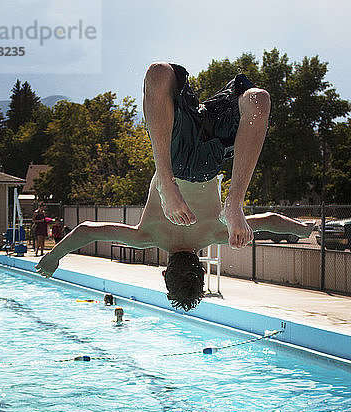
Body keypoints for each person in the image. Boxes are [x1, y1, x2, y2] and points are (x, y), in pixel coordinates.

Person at [36, 62, 314, 311]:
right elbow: (86, 231)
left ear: (202, 271)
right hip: (178, 159)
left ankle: (232, 200)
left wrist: (302, 230)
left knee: (258, 101)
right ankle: (173, 184)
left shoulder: (216, 234)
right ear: (164, 273)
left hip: (212, 158)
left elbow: (272, 221)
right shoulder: (146, 237)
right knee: (157, 74)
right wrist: (54, 257)